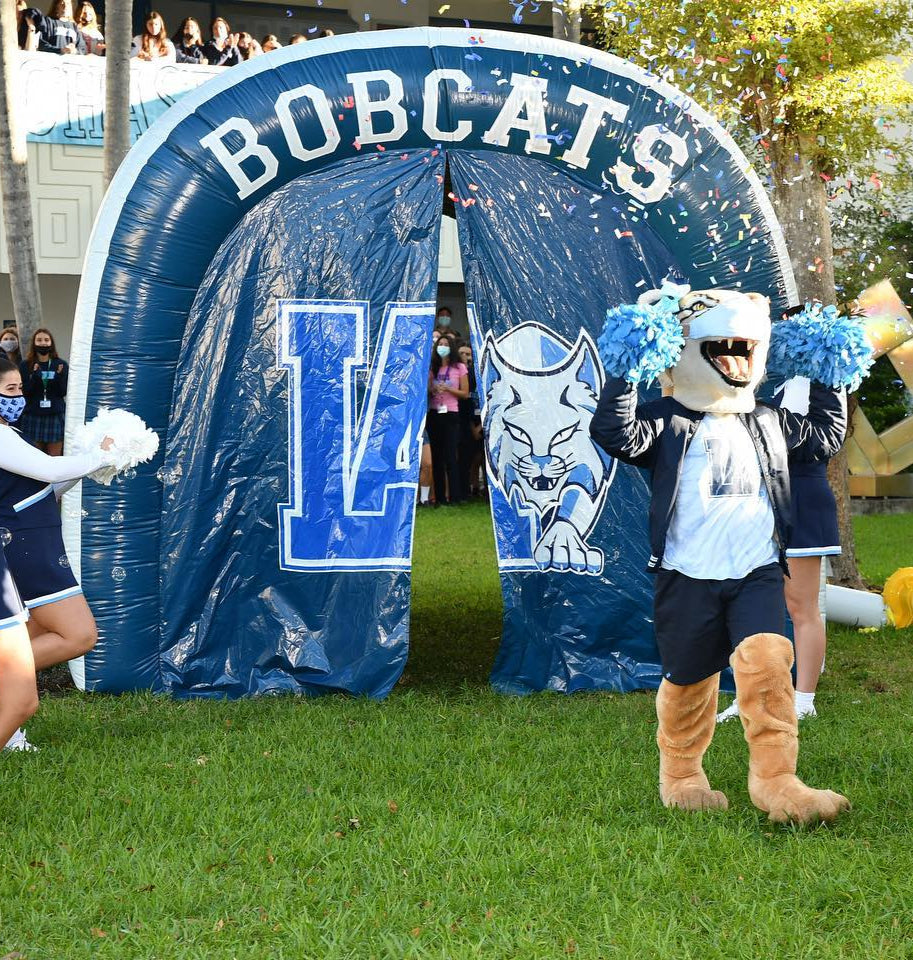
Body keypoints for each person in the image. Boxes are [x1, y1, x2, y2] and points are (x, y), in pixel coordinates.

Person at [0, 355, 116, 751]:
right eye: (10, 390)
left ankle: (9, 725)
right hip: (25, 547)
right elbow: (49, 471)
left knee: (28, 638)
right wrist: (102, 454)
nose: (19, 398)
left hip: (35, 540)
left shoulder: (8, 433)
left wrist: (93, 465)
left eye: (20, 389)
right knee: (79, 634)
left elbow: (43, 490)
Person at [717, 375, 840, 723]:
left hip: (801, 498)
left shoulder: (828, 378)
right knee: (753, 602)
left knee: (801, 605)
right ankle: (752, 693)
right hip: (763, 497)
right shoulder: (787, 380)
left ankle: (803, 699)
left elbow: (819, 441)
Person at [427, 335, 468, 506]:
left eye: (445, 344)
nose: (442, 346)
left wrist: (449, 388)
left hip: (451, 414)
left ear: (451, 347)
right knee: (436, 458)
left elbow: (465, 393)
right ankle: (440, 498)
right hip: (435, 414)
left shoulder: (459, 367)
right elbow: (427, 392)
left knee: (451, 456)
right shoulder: (432, 369)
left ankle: (455, 497)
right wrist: (433, 388)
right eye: (440, 344)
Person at [18, 328, 68, 456]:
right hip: (33, 415)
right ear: (34, 343)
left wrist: (58, 376)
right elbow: (26, 392)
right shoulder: (25, 365)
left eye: (46, 340)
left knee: (55, 457)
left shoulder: (60, 364)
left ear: (51, 343)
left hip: (55, 415)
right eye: (39, 340)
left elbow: (62, 392)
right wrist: (35, 375)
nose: (43, 343)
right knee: (34, 456)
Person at [456, 341, 484, 500]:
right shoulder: (456, 374)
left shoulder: (478, 373)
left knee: (482, 459)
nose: (465, 357)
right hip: (464, 423)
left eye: (468, 354)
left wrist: (480, 426)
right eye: (462, 353)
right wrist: (472, 427)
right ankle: (467, 491)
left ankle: (484, 491)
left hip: (483, 423)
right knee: (466, 459)